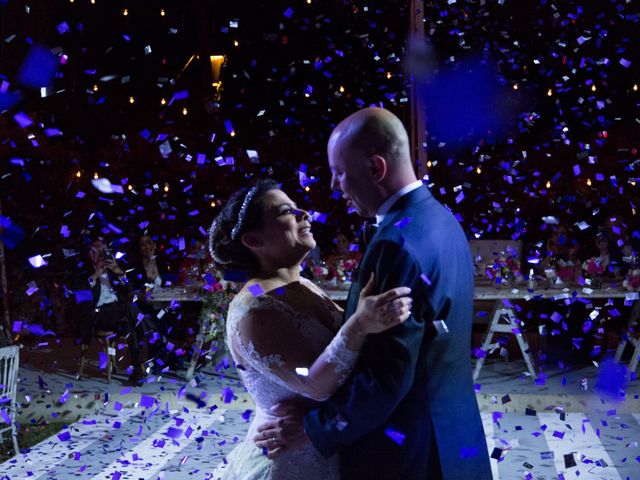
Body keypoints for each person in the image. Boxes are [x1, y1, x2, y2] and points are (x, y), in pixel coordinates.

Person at [254, 107, 492, 479]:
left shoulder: (395, 244)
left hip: (408, 454)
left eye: (339, 173)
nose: (334, 186)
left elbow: (386, 375)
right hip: (454, 437)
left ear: (376, 169)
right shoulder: (441, 219)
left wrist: (314, 428)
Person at [208, 178, 412, 479]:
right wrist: (358, 325)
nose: (304, 214)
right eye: (286, 212)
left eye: (298, 207)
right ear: (253, 241)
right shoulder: (255, 310)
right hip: (287, 462)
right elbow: (315, 385)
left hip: (325, 450)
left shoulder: (300, 284)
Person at [76, 238, 149, 384]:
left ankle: (137, 370)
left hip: (117, 313)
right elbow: (80, 299)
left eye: (105, 251)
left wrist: (119, 271)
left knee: (131, 327)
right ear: (91, 254)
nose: (102, 255)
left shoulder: (112, 271)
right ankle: (150, 331)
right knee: (130, 308)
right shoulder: (83, 270)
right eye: (98, 251)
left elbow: (130, 289)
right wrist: (96, 275)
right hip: (97, 315)